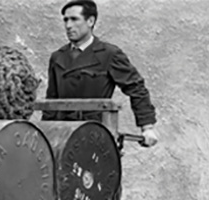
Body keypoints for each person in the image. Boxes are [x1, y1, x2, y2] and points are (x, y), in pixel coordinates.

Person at [42, 0, 158, 147]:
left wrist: (147, 127)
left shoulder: (109, 54)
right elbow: (51, 101)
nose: (68, 25)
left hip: (96, 135)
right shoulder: (57, 57)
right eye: (65, 20)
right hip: (62, 136)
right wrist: (45, 132)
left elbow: (136, 88)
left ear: (90, 21)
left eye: (74, 19)